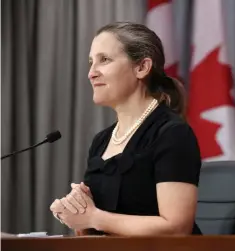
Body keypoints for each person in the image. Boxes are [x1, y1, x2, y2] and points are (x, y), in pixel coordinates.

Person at [49, 21, 202, 236]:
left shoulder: (172, 134)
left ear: (141, 67)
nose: (91, 73)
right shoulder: (101, 141)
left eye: (104, 60)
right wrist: (77, 215)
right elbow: (96, 232)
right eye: (91, 62)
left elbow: (177, 229)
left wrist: (94, 217)